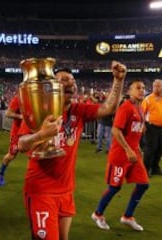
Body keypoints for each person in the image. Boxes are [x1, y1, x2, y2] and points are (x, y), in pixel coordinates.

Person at [17, 61, 126, 240]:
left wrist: (118, 80)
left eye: (72, 80)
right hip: (41, 192)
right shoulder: (40, 111)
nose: (70, 83)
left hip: (66, 190)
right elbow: (21, 145)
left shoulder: (78, 110)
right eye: (64, 80)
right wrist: (41, 135)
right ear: (50, 86)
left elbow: (109, 108)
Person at [91, 80, 149, 232]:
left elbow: (134, 131)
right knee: (114, 188)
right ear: (130, 91)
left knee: (143, 184)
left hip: (134, 153)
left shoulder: (140, 108)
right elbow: (115, 130)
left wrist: (136, 148)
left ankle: (128, 216)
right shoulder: (125, 107)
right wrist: (129, 149)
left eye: (143, 88)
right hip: (120, 155)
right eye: (138, 88)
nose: (142, 90)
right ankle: (98, 214)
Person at [142, 79, 162, 176]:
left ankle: (155, 168)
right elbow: (142, 113)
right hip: (151, 127)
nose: (157, 88)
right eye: (155, 86)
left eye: (159, 86)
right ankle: (145, 170)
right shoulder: (148, 99)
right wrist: (142, 125)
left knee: (161, 148)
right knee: (151, 148)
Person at [0, 94, 23, 186]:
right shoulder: (19, 97)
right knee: (11, 155)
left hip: (31, 131)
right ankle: (1, 173)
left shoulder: (37, 96)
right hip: (18, 132)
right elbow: (8, 113)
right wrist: (21, 117)